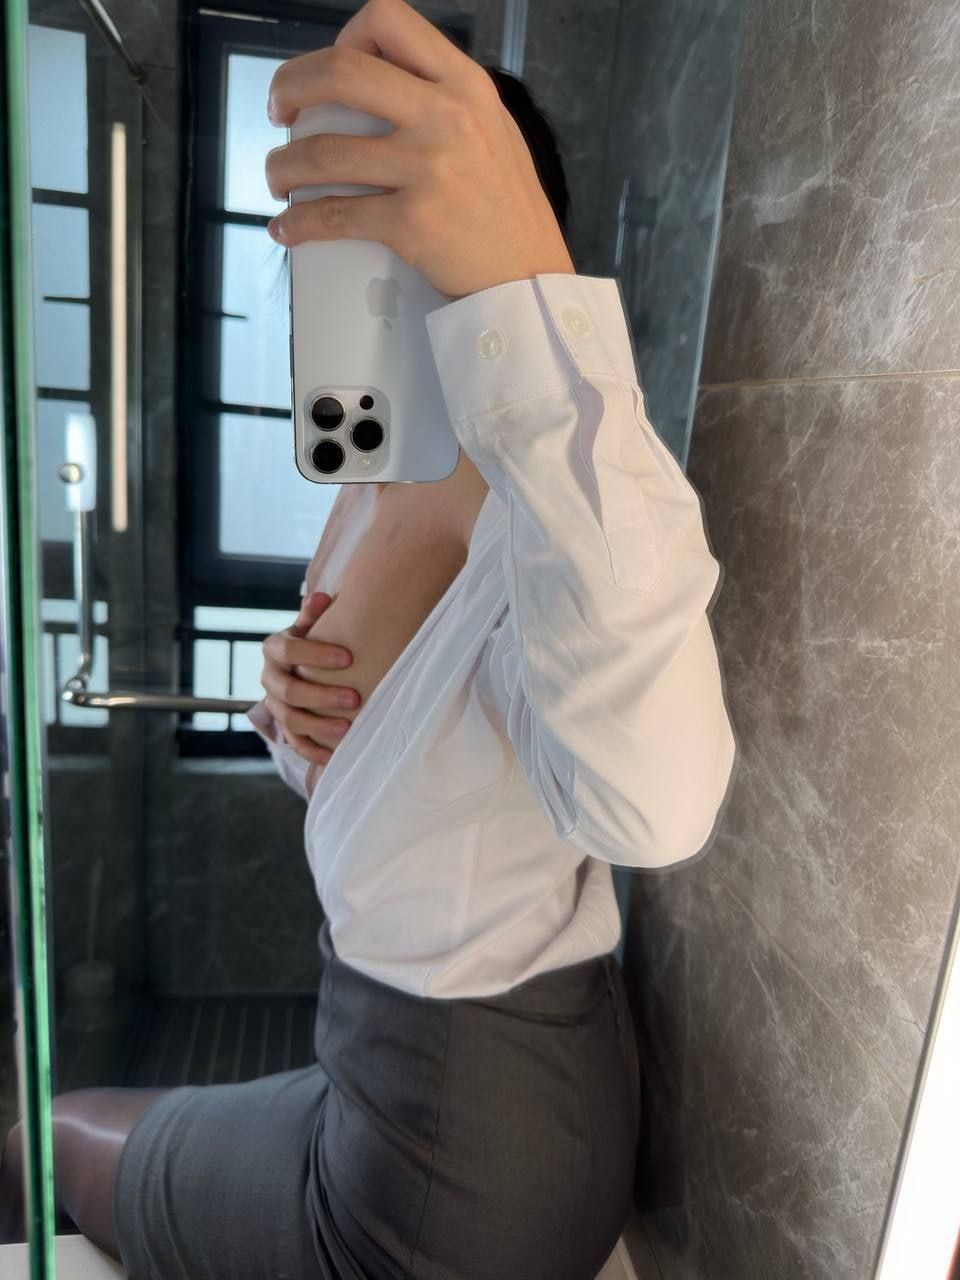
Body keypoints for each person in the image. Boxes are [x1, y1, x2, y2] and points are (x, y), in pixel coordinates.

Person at [0, 1, 737, 1275]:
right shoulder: (380, 481)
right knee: (56, 1125)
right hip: (405, 1069)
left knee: (46, 1137)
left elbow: (657, 806)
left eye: (397, 212)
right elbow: (396, 774)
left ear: (501, 222)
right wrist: (287, 703)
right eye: (318, 232)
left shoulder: (555, 508)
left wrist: (529, 309)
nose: (340, 272)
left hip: (469, 1168)